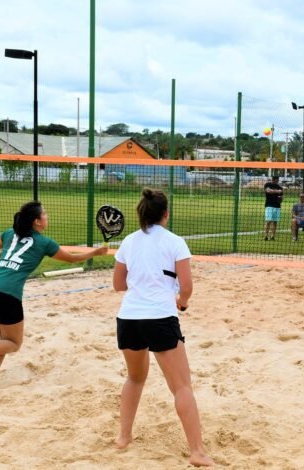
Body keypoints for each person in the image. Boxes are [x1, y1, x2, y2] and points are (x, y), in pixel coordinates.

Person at [112, 189, 213, 467]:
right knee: (182, 387)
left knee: (134, 378)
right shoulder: (175, 242)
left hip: (129, 318)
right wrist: (182, 302)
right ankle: (197, 452)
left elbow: (118, 285)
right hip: (159, 317)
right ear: (165, 214)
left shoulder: (129, 242)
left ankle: (123, 437)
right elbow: (187, 286)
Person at [0, 202, 107, 381]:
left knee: (3, 338)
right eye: (44, 214)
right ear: (37, 222)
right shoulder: (44, 242)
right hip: (7, 293)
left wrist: (3, 257)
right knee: (14, 343)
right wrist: (95, 252)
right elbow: (72, 259)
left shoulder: (10, 233)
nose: (47, 217)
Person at [263, 175, 283, 241]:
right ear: (273, 179)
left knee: (275, 222)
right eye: (276, 180)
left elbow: (282, 197)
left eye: (278, 180)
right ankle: (266, 236)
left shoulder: (280, 187)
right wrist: (277, 191)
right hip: (269, 205)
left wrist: (281, 198)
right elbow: (268, 191)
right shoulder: (267, 184)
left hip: (277, 206)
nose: (277, 181)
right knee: (268, 221)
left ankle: (272, 236)